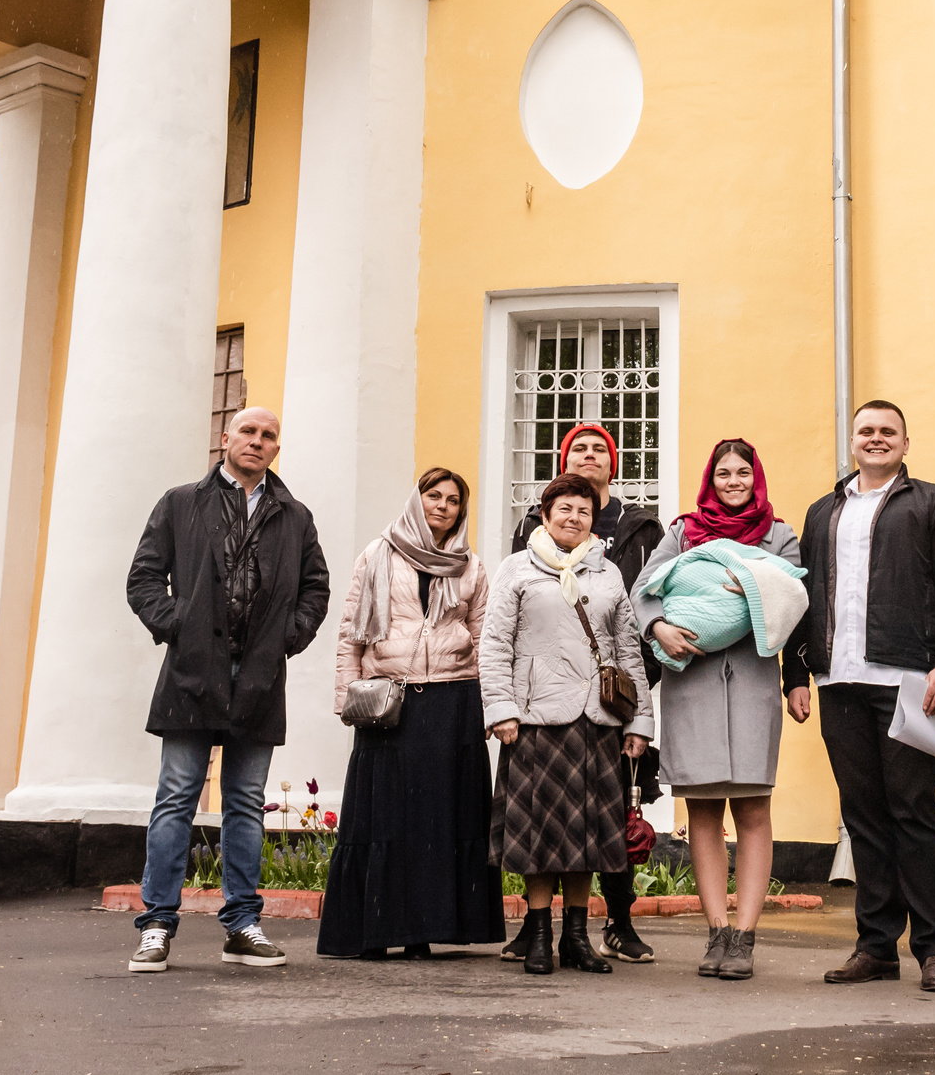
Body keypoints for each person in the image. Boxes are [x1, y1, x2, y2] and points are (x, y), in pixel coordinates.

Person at [124, 406, 331, 974]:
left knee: (244, 803)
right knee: (177, 800)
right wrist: (178, 626)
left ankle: (242, 924)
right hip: (192, 673)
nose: (257, 442)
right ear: (225, 438)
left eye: (269, 436)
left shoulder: (295, 516)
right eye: (248, 432)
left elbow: (316, 586)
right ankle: (157, 926)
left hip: (259, 676)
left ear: (275, 449)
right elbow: (143, 578)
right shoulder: (179, 502)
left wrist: (289, 637)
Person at [781, 401, 935, 994]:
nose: (876, 439)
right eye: (866, 431)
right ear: (853, 441)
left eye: (887, 431)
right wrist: (796, 672)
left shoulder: (933, 502)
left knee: (912, 811)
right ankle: (875, 947)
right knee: (862, 817)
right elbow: (801, 595)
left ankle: (934, 950)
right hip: (838, 681)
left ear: (905, 443)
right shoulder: (824, 511)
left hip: (909, 680)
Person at [637, 439, 807, 981]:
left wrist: (752, 589)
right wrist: (659, 627)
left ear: (756, 479)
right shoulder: (683, 533)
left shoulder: (780, 536)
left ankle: (746, 936)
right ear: (710, 481)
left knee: (753, 810)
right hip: (692, 687)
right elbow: (645, 589)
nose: (733, 482)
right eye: (723, 474)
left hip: (754, 686)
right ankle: (716, 933)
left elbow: (797, 604)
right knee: (703, 813)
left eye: (743, 473)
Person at [318, 467, 503, 960]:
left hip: (453, 698)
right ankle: (373, 930)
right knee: (383, 817)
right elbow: (351, 634)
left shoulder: (470, 566)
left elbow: (484, 638)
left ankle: (426, 929)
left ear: (462, 511)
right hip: (389, 701)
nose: (442, 506)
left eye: (453, 500)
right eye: (433, 495)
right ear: (416, 499)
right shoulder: (377, 555)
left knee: (439, 819)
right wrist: (347, 700)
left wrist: (490, 705)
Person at [505, 422, 666, 964]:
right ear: (547, 515)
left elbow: (628, 647)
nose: (574, 519)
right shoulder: (519, 562)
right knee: (539, 830)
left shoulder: (619, 560)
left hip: (600, 711)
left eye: (583, 512)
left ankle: (586, 933)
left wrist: (639, 718)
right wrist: (502, 709)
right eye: (564, 511)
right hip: (537, 715)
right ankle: (539, 935)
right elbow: (497, 642)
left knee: (588, 832)